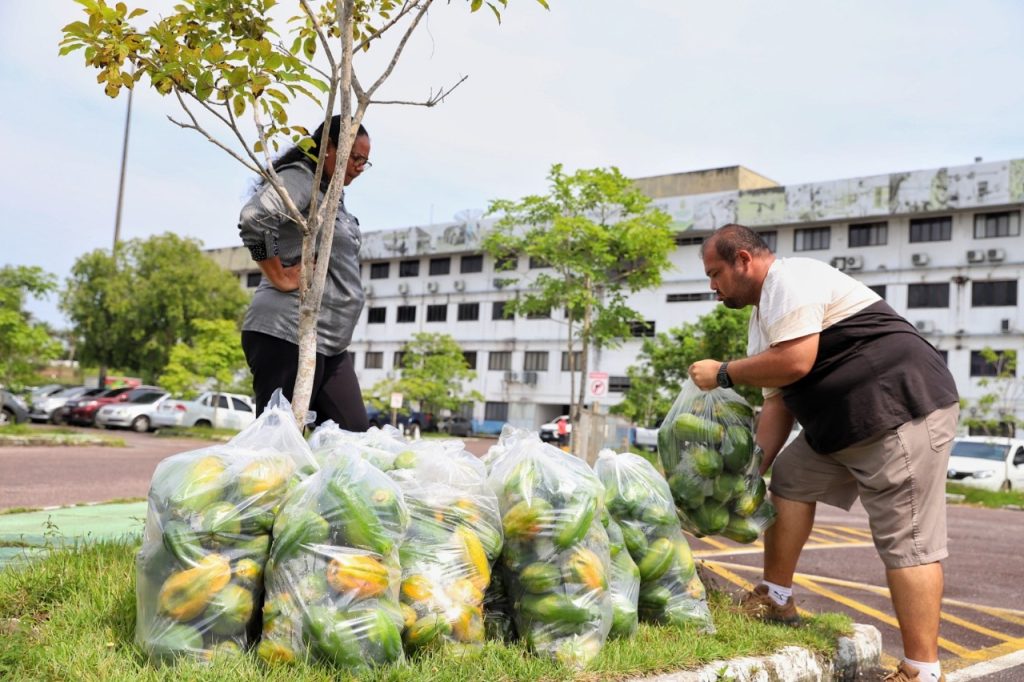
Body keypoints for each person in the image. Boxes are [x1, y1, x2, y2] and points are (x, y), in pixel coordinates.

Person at [688, 224, 958, 682]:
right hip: (841, 425)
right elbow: (778, 403)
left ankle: (921, 670)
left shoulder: (791, 279)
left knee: (907, 541)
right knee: (791, 479)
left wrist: (724, 373)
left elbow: (796, 362)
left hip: (898, 411)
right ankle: (776, 598)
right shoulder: (763, 319)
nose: (713, 286)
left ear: (743, 261)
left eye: (715, 274)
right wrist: (750, 474)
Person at [238, 115, 372, 431]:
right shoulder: (301, 180)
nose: (358, 168)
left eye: (364, 162)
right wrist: (278, 274)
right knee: (278, 440)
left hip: (329, 342)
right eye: (354, 158)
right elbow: (254, 218)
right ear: (327, 148)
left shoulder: (332, 193)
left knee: (353, 437)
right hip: (287, 331)